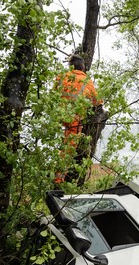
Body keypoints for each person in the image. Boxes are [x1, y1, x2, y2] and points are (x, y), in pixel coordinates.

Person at [54, 54, 104, 185]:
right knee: (69, 149)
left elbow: (53, 96)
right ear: (82, 67)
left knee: (63, 145)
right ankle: (59, 180)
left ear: (71, 66)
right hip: (74, 119)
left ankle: (56, 174)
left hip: (59, 114)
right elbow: (96, 101)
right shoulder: (86, 80)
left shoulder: (61, 77)